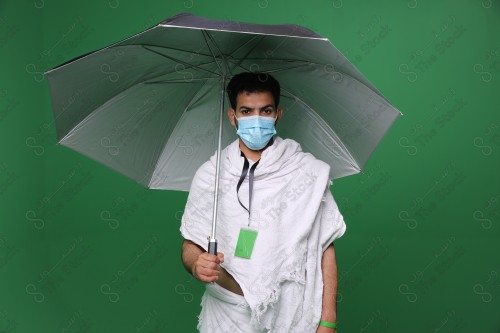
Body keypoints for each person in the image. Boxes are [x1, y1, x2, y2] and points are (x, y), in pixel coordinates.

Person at [180, 72, 346, 333]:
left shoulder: (306, 172)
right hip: (226, 314)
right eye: (246, 111)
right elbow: (191, 243)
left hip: (290, 313)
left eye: (265, 110)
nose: (256, 119)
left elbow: (325, 248)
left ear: (277, 115)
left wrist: (328, 320)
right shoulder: (211, 174)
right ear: (232, 116)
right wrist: (196, 263)